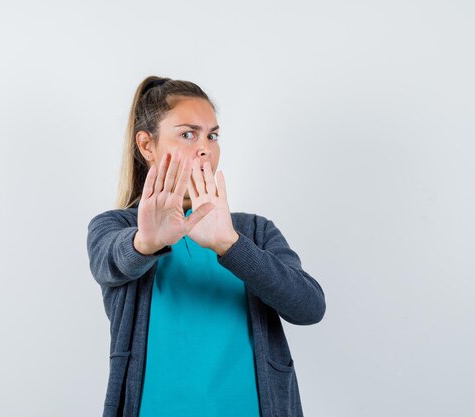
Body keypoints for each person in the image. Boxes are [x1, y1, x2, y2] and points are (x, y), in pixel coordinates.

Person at [86, 76, 326, 417]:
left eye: (212, 135)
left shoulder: (253, 231)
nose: (205, 148)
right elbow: (108, 262)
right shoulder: (116, 226)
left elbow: (309, 307)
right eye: (188, 134)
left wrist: (230, 244)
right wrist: (146, 241)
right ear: (146, 146)